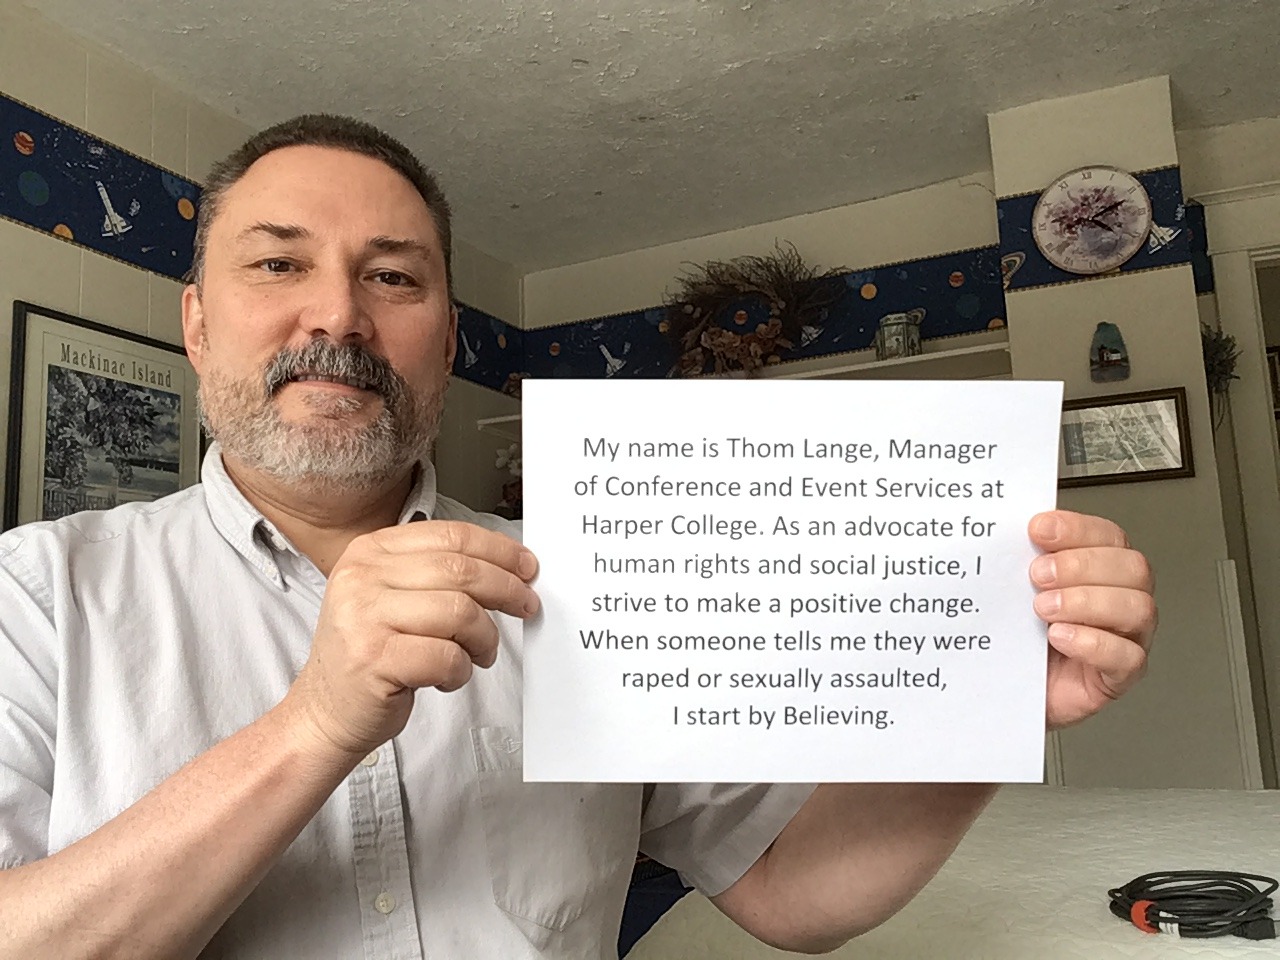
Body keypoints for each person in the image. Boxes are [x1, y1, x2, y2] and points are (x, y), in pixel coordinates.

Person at [0, 115, 1156, 960]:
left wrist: (986, 701)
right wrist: (312, 726)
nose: (339, 314)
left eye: (390, 276)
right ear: (197, 323)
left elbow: (790, 891)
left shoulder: (585, 583)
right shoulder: (35, 596)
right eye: (277, 263)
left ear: (444, 340)